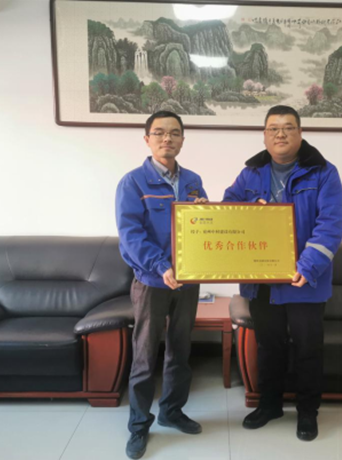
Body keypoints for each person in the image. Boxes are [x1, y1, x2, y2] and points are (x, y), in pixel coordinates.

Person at [223, 105, 342, 441]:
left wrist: (308, 266)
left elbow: (331, 224)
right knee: (269, 346)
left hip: (304, 280)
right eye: (273, 128)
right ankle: (269, 405)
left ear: (300, 133)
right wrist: (252, 211)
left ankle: (308, 412)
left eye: (288, 127)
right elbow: (228, 209)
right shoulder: (251, 173)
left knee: (308, 348)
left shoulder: (323, 173)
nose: (281, 134)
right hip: (261, 281)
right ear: (264, 135)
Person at [116, 111, 208, 459]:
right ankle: (139, 425)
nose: (167, 138)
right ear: (147, 140)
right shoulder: (133, 182)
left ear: (183, 139)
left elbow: (204, 226)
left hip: (188, 281)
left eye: (174, 133)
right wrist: (160, 265)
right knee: (144, 356)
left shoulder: (194, 180)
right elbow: (130, 235)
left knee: (180, 350)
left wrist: (205, 211)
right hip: (152, 281)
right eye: (159, 133)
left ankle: (172, 411)